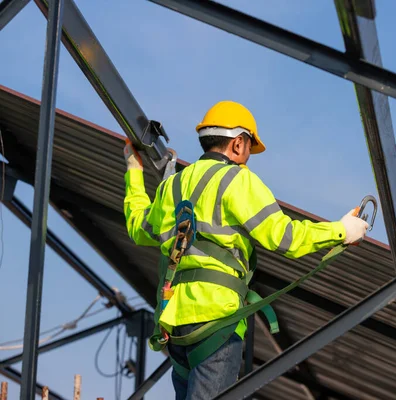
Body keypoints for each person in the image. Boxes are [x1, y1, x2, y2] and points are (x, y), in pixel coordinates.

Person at [122, 100, 369, 399]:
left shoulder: (172, 187)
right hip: (217, 322)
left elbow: (138, 227)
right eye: (250, 147)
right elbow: (283, 236)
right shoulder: (238, 181)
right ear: (238, 143)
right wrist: (342, 230)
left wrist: (133, 170)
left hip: (176, 326)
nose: (248, 157)